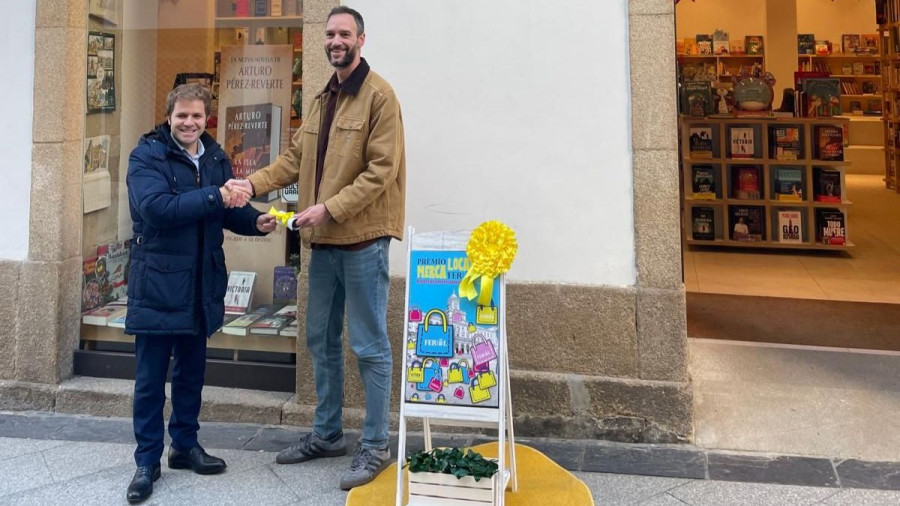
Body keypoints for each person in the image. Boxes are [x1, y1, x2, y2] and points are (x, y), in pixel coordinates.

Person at [227, 6, 406, 491]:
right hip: (321, 243)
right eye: (329, 34)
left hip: (362, 239)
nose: (335, 41)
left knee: (369, 346)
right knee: (319, 341)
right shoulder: (322, 96)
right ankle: (327, 434)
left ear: (361, 40)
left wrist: (327, 208)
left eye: (344, 33)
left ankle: (375, 447)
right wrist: (250, 183)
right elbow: (295, 157)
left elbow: (380, 171)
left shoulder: (380, 97)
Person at [123, 83, 277, 504]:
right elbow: (157, 209)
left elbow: (228, 210)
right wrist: (215, 194)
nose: (189, 123)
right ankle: (146, 460)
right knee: (151, 380)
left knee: (191, 373)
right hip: (158, 281)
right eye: (182, 116)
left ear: (207, 118)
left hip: (201, 283)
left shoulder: (213, 155)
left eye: (197, 117)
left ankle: (185, 446)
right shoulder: (146, 156)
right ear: (169, 115)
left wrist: (255, 222)